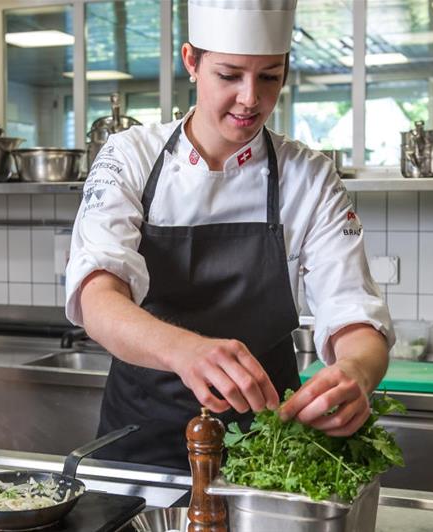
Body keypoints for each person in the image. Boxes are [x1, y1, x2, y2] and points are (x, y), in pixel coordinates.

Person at [65, 0, 394, 470]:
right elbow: (98, 295)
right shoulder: (129, 156)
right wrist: (186, 350)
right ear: (191, 62)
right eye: (229, 75)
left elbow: (353, 312)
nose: (250, 99)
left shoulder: (309, 175)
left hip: (268, 443)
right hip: (141, 441)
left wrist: (355, 373)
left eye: (269, 77)